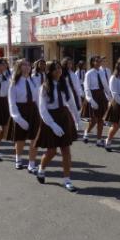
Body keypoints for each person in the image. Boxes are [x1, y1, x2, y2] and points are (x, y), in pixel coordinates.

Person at [34, 60, 79, 192]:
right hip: (50, 119)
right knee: (52, 151)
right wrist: (52, 125)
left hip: (64, 117)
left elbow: (71, 103)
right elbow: (42, 109)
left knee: (66, 150)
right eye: (55, 69)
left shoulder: (64, 84)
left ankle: (67, 179)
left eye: (59, 68)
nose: (58, 71)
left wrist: (77, 119)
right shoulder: (44, 87)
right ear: (49, 71)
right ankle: (41, 169)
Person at [6, 59, 40, 172]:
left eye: (28, 65)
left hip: (33, 111)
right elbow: (12, 102)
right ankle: (18, 159)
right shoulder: (14, 83)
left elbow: (37, 99)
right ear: (19, 68)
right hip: (20, 111)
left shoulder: (33, 81)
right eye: (23, 65)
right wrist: (18, 119)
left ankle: (31, 163)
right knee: (20, 139)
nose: (27, 67)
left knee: (34, 138)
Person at [81, 55, 111, 146]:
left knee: (101, 120)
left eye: (99, 61)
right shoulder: (89, 73)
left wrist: (110, 96)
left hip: (101, 96)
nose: (98, 63)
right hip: (93, 96)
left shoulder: (101, 72)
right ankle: (86, 132)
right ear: (92, 62)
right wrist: (91, 100)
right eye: (96, 61)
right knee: (94, 120)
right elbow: (87, 88)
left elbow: (105, 85)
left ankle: (99, 139)